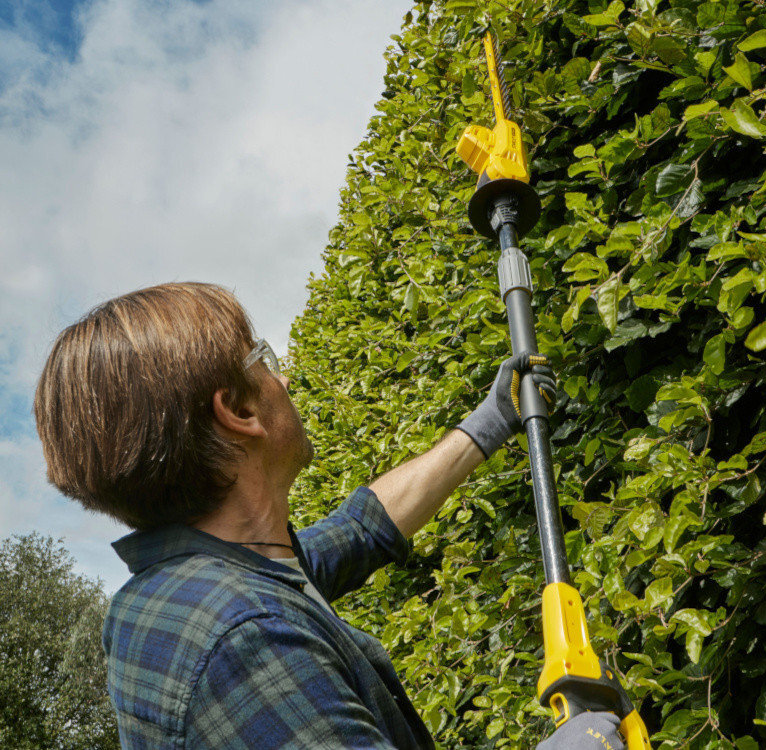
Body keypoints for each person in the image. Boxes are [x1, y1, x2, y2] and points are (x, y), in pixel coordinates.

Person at [33, 282, 624, 749]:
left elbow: (362, 528)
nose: (283, 376)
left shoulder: (206, 579)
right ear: (239, 410)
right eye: (262, 358)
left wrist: (488, 424)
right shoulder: (245, 642)